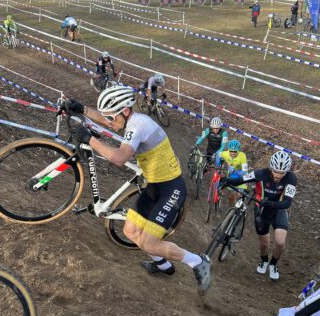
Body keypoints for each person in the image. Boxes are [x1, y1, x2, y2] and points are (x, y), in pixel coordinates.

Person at [60, 86, 212, 293]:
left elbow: (119, 159)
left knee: (149, 243)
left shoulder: (138, 125)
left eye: (112, 118)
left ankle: (198, 261)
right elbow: (107, 119)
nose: (110, 123)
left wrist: (90, 139)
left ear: (125, 111)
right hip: (154, 185)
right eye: (108, 118)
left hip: (171, 189)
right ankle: (163, 265)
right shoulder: (129, 119)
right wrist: (83, 110)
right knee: (130, 230)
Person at [221, 151, 296, 281]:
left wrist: (271, 203)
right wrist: (228, 180)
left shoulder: (291, 178)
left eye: (282, 173)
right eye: (275, 171)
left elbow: (287, 202)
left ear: (287, 172)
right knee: (264, 244)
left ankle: (273, 264)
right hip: (261, 210)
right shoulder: (260, 174)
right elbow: (241, 179)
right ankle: (264, 260)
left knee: (280, 242)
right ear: (270, 168)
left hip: (279, 210)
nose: (278, 175)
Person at [215, 139, 248, 205]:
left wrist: (235, 171)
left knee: (239, 195)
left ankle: (241, 210)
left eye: (235, 151)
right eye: (231, 151)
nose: (233, 153)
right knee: (231, 197)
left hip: (242, 177)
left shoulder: (242, 156)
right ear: (229, 150)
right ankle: (232, 212)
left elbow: (244, 172)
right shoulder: (226, 154)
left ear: (238, 151)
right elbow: (218, 155)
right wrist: (218, 164)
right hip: (231, 177)